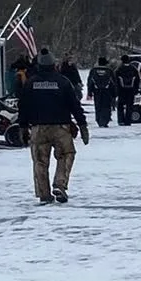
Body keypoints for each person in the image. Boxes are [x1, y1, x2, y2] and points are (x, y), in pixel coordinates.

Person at [18, 49, 88, 203]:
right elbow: (74, 105)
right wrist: (82, 125)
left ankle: (44, 193)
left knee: (40, 161)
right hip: (61, 127)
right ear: (53, 65)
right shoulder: (63, 82)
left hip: (38, 128)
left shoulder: (31, 83)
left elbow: (23, 106)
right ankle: (60, 184)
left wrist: (22, 127)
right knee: (66, 154)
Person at [86, 56, 116, 128]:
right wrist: (114, 93)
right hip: (107, 91)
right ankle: (105, 120)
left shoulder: (93, 70)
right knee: (106, 106)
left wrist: (90, 92)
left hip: (97, 91)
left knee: (98, 105)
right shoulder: (109, 70)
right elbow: (114, 82)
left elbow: (90, 82)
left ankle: (99, 120)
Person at [113, 54, 141, 125]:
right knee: (129, 106)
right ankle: (128, 121)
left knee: (120, 106)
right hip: (131, 90)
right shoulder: (133, 69)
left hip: (121, 90)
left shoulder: (119, 69)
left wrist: (116, 90)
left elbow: (115, 80)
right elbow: (137, 80)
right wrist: (136, 89)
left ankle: (120, 120)